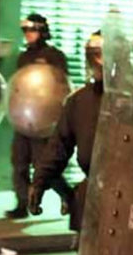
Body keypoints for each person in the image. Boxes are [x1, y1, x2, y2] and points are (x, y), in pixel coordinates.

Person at [27, 30, 103, 232]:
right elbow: (58, 146)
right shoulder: (79, 101)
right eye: (95, 55)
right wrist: (39, 182)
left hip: (130, 194)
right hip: (94, 192)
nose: (100, 61)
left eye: (104, 54)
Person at [7, 12, 72, 219]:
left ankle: (68, 196)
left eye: (32, 30)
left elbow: (61, 87)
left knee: (44, 167)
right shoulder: (23, 57)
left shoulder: (55, 56)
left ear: (43, 31)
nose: (27, 34)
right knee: (19, 162)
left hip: (45, 120)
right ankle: (22, 204)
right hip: (24, 119)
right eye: (25, 30)